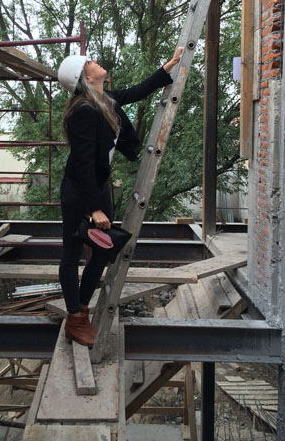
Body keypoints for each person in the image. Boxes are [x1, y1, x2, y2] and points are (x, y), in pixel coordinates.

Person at [57, 47, 183, 347]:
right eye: (90, 62)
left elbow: (136, 92)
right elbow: (84, 162)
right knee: (72, 252)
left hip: (97, 185)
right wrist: (94, 208)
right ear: (85, 76)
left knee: (103, 248)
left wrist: (168, 67)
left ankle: (83, 309)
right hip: (79, 190)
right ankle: (74, 318)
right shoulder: (82, 111)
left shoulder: (103, 99)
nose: (96, 62)